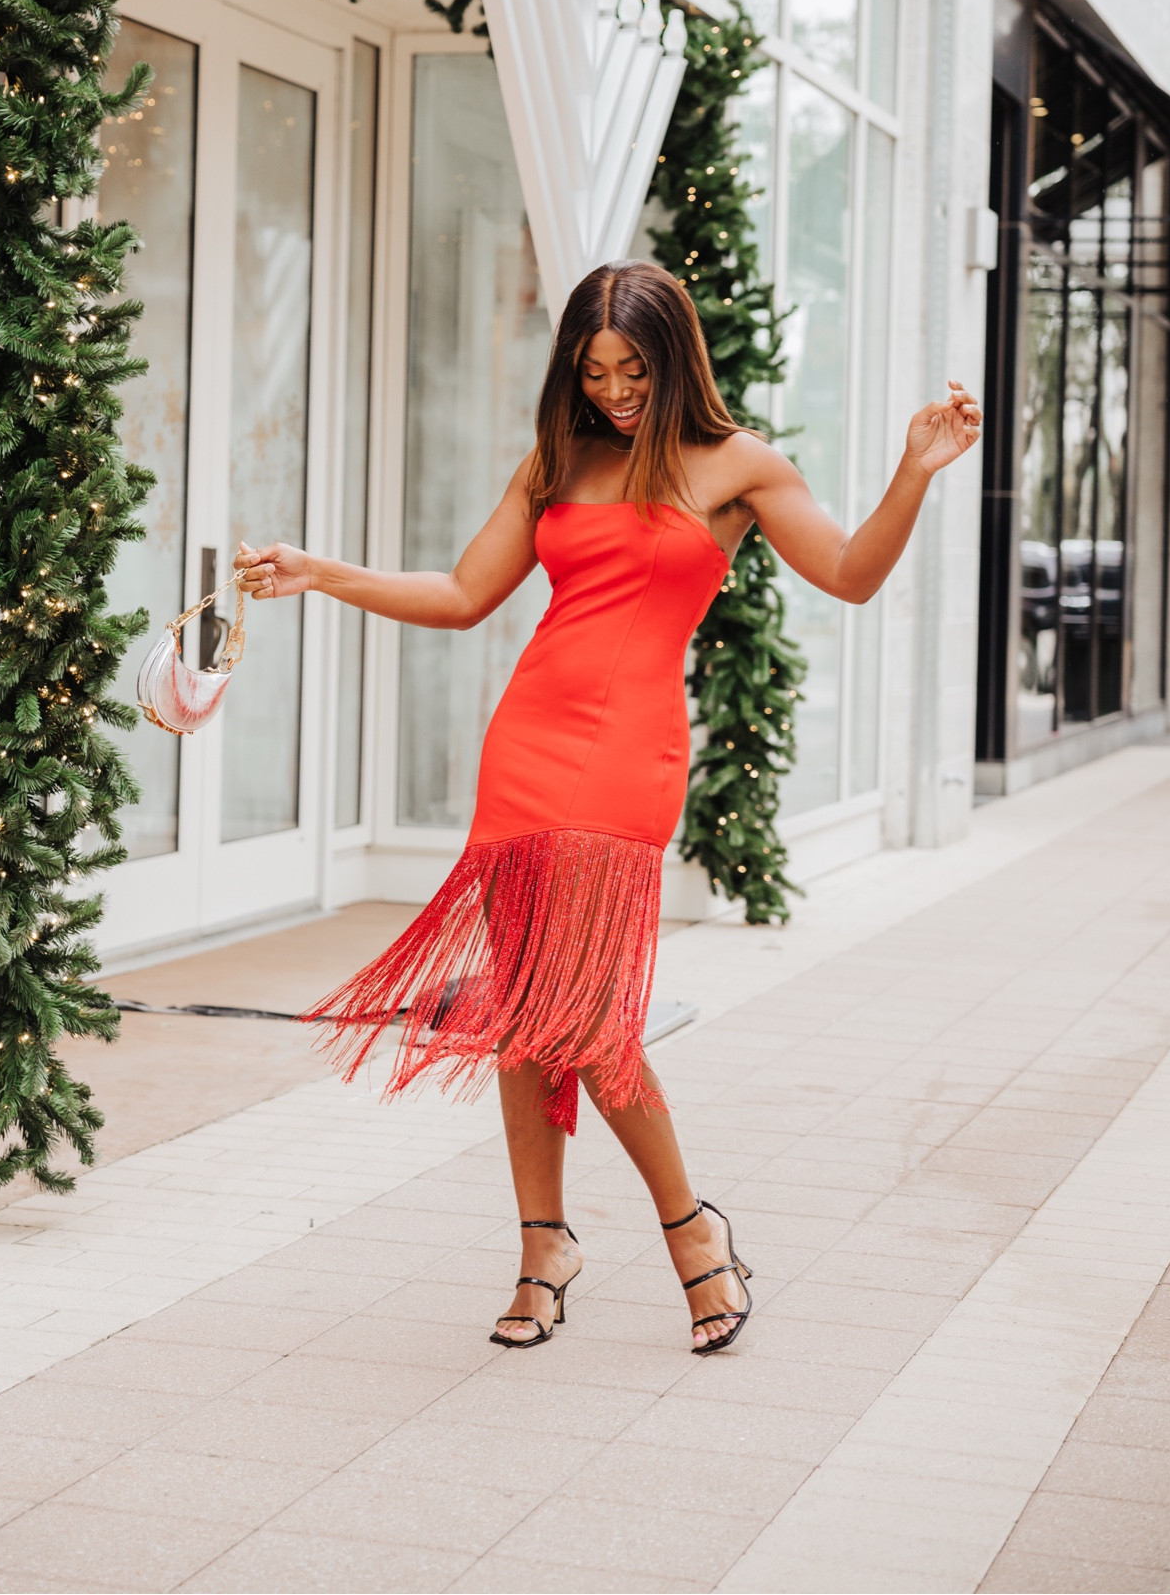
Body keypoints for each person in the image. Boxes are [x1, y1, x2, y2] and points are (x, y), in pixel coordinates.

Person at [235, 260, 981, 1355]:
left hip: (629, 758)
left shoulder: (739, 468)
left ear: (673, 356)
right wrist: (318, 572)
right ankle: (544, 1248)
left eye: (633, 368)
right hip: (526, 747)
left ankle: (692, 1234)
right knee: (524, 1016)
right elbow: (458, 596)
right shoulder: (559, 460)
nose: (615, 390)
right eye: (594, 371)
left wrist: (914, 471)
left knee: (585, 1018)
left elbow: (853, 574)